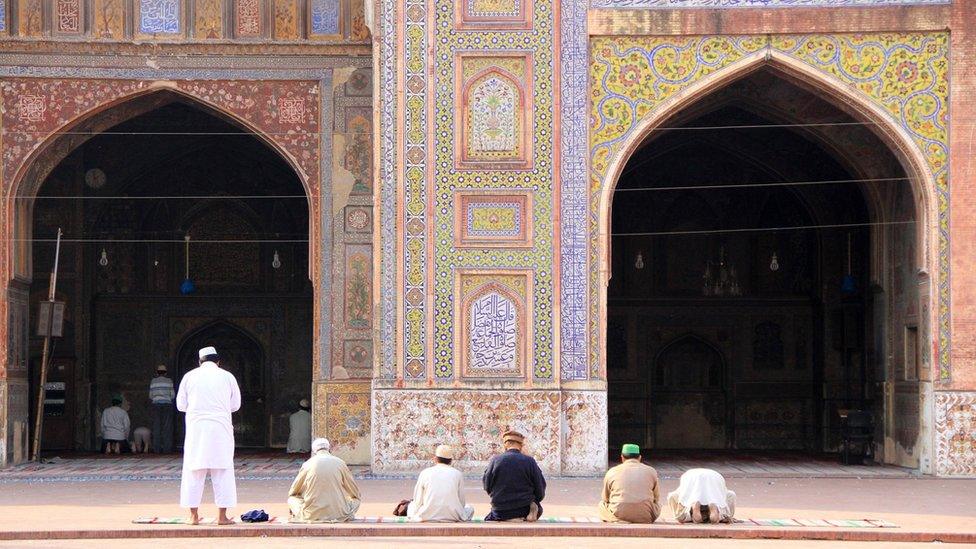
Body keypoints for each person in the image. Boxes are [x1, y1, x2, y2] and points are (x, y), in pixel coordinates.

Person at [176, 346, 242, 525]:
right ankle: (222, 517)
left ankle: (193, 516)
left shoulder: (189, 376)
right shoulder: (227, 376)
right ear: (218, 361)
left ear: (200, 361)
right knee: (223, 471)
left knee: (193, 471)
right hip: (221, 429)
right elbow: (235, 405)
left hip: (197, 429)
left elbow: (181, 405)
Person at [287, 438, 361, 523]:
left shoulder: (307, 464)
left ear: (314, 451)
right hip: (339, 514)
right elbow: (355, 493)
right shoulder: (340, 463)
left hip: (311, 514)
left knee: (292, 499)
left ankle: (304, 515)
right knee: (356, 499)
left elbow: (293, 492)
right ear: (329, 449)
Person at [482, 430, 546, 522]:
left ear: (505, 445)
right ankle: (529, 513)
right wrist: (536, 500)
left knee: (491, 517)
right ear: (521, 445)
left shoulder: (495, 460)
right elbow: (540, 487)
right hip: (524, 509)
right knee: (538, 508)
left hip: (500, 511)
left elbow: (487, 486)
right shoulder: (529, 461)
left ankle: (508, 517)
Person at [406, 444, 474, 522]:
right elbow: (461, 502)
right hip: (453, 517)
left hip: (427, 517)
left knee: (411, 505)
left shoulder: (425, 473)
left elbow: (418, 500)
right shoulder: (457, 474)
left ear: (435, 459)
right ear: (451, 461)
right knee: (470, 508)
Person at [598, 443, 661, 523]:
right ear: (639, 457)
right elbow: (656, 498)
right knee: (658, 505)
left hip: (618, 513)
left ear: (622, 458)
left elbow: (606, 498)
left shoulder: (612, 472)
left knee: (602, 505)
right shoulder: (651, 471)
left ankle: (618, 520)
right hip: (645, 515)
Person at [668, 468, 737, 524]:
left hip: (691, 477)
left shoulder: (688, 475)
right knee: (731, 495)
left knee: (672, 496)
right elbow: (724, 493)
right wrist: (729, 516)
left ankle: (689, 511)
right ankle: (719, 512)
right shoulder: (716, 476)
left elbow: (678, 495)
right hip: (714, 477)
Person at [149, 364, 175, 453]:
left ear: (157, 372)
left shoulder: (153, 381)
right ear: (165, 373)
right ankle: (167, 449)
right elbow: (172, 395)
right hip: (167, 405)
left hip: (156, 405)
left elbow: (150, 395)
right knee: (167, 427)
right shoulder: (169, 381)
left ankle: (156, 449)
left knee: (156, 426)